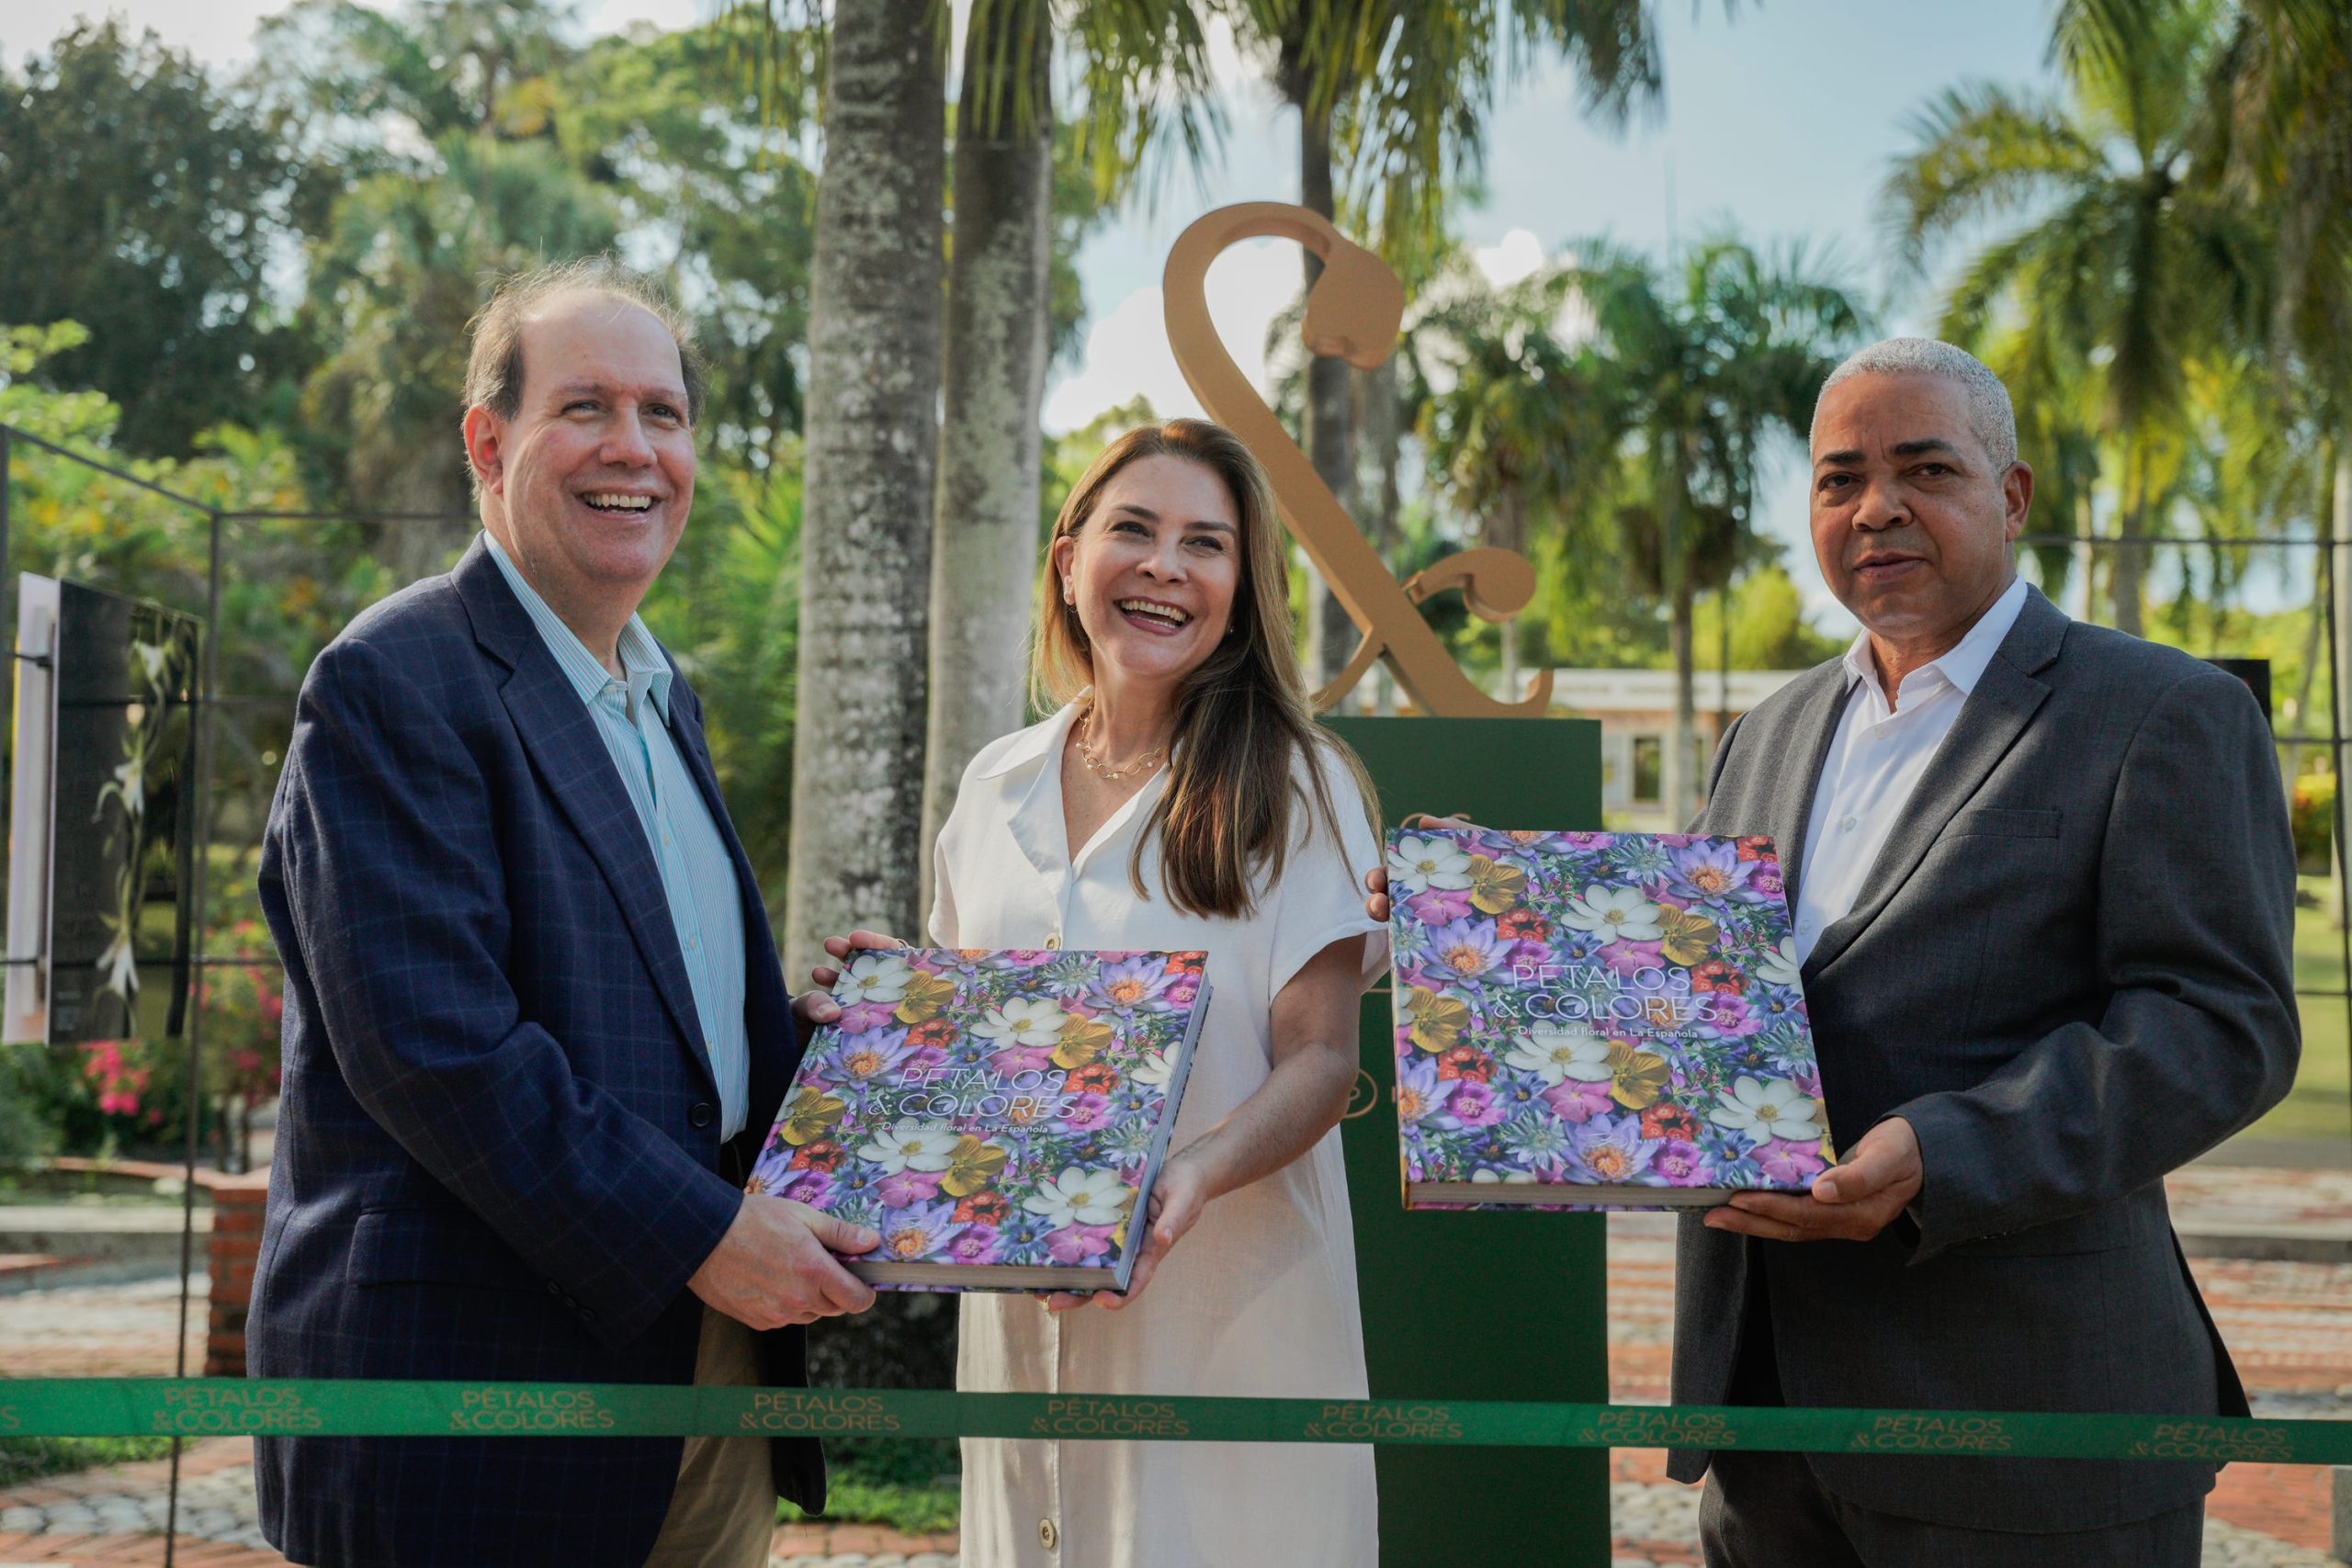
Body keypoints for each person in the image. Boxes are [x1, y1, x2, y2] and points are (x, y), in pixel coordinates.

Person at [1372, 338, 2298, 1566]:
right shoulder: (1773, 726)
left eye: (1925, 468)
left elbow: (2219, 1025)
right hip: (1764, 1418)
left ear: (2010, 496)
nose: (1877, 507)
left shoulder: (2158, 711)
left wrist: (1942, 1149)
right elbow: (1686, 981)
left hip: (2023, 1420)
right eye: (1838, 477)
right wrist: (1484, 906)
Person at [249, 258, 881, 1568]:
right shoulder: (393, 676)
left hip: (709, 1377)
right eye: (586, 407)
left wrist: (842, 1046)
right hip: (482, 1397)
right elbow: (440, 1049)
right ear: (491, 441)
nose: (634, 448)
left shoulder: (664, 696)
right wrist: (706, 1233)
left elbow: (660, 1020)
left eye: (665, 412)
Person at [912, 418, 1388, 1566]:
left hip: (1231, 1321)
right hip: (1020, 1320)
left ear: (1240, 588)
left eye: (1205, 544)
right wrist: (890, 1021)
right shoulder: (992, 786)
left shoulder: (1300, 783)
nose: (1165, 566)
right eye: (1133, 530)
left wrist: (1188, 1177)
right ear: (1069, 560)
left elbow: (1321, 1059)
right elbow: (964, 1050)